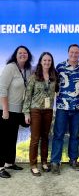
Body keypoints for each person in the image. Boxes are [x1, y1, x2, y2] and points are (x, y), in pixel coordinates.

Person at [51, 44, 79, 174]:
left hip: (77, 108)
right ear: (68, 53)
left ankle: (73, 160)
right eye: (72, 52)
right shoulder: (59, 67)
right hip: (62, 107)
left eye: (76, 52)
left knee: (75, 135)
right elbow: (53, 85)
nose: (74, 54)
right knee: (59, 134)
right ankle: (55, 162)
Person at [22, 52, 58, 176]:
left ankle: (44, 162)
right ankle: (33, 164)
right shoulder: (34, 76)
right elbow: (27, 96)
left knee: (45, 137)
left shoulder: (54, 76)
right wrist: (26, 113)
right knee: (35, 138)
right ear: (40, 62)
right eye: (44, 60)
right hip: (35, 110)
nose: (47, 62)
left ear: (51, 62)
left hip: (48, 111)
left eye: (49, 60)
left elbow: (57, 90)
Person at [0, 45, 33, 178]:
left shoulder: (27, 70)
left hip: (18, 111)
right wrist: (5, 110)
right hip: (6, 110)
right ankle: (0, 167)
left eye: (25, 53)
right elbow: (2, 89)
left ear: (28, 55)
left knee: (12, 137)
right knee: (2, 139)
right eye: (20, 52)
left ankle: (9, 163)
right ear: (15, 54)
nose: (23, 54)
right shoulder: (10, 68)